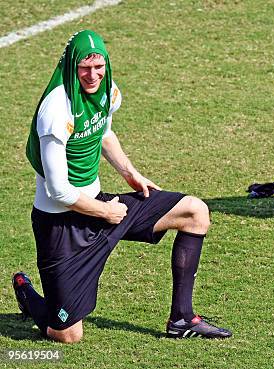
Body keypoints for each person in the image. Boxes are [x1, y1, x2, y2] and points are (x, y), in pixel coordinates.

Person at [12, 30, 231, 343]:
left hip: (100, 207)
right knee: (66, 335)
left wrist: (131, 173)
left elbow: (103, 132)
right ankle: (27, 292)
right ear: (71, 67)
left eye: (98, 66)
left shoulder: (106, 91)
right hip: (61, 227)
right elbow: (58, 191)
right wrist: (106, 211)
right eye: (84, 68)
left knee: (195, 212)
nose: (93, 75)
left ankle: (182, 318)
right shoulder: (56, 110)